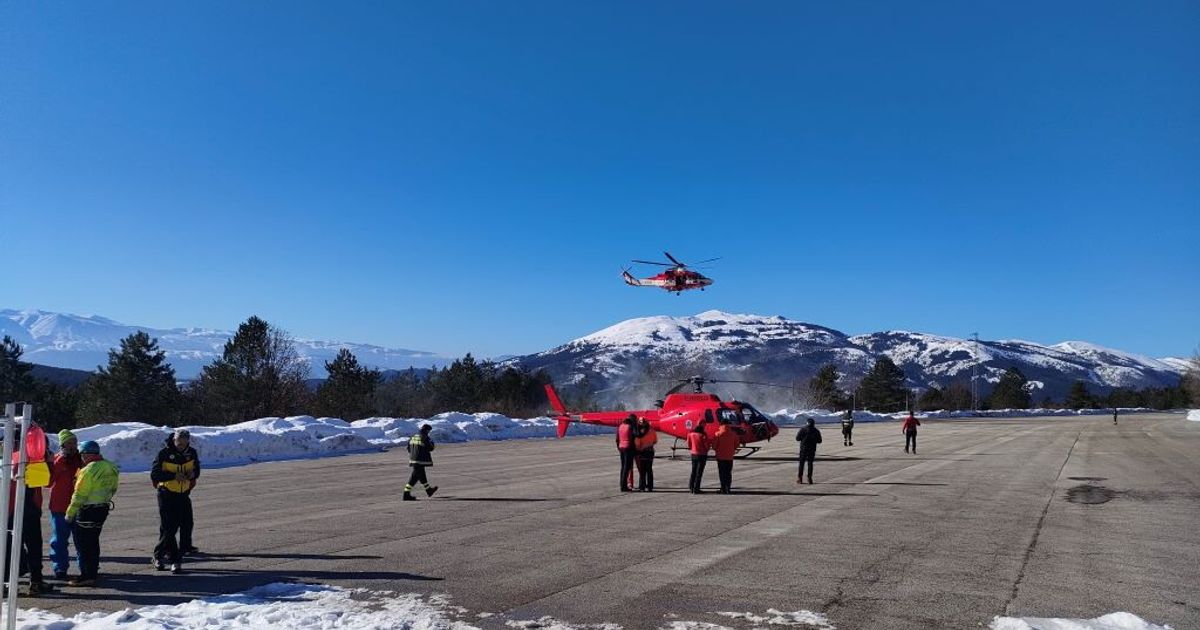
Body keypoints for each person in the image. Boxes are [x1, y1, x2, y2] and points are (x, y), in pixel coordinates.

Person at [5, 429, 53, 596]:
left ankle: (6, 583)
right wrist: (48, 462)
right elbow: (45, 481)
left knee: (8, 546)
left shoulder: (10, 457)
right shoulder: (30, 459)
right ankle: (36, 582)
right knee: (32, 546)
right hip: (26, 508)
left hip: (8, 507)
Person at [65, 440, 119, 587]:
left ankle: (87, 575)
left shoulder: (88, 470)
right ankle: (93, 572)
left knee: (83, 544)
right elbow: (113, 488)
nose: (81, 457)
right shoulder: (110, 466)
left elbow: (80, 494)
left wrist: (70, 512)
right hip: (103, 509)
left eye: (82, 455)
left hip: (87, 510)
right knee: (93, 541)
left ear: (87, 454)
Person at [151, 428, 200, 573]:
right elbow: (155, 474)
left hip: (183, 494)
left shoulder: (191, 452)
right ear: (174, 440)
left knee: (186, 524)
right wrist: (173, 476)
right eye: (179, 441)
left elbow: (197, 470)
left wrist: (193, 474)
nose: (181, 444)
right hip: (166, 493)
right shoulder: (164, 453)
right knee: (169, 528)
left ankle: (173, 553)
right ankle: (172, 559)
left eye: (184, 442)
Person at [48, 429, 84, 580]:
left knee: (82, 540)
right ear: (62, 445)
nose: (72, 446)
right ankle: (60, 568)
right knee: (59, 540)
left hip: (79, 506)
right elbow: (48, 482)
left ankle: (86, 568)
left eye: (74, 442)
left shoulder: (82, 460)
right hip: (59, 507)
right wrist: (61, 461)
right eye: (69, 443)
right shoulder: (56, 460)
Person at [404, 424, 438, 501]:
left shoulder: (413, 436)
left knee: (421, 475)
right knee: (414, 477)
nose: (429, 432)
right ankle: (406, 494)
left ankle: (428, 490)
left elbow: (408, 448)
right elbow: (431, 448)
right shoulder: (425, 437)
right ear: (427, 430)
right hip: (420, 460)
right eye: (429, 431)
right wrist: (432, 442)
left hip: (413, 459)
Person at [712, 419, 741, 494]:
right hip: (729, 457)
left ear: (721, 425)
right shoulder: (733, 434)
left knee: (722, 473)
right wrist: (732, 449)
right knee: (728, 473)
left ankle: (723, 488)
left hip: (720, 457)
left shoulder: (717, 434)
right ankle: (728, 488)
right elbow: (737, 445)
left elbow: (714, 446)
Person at [687, 417, 711, 494]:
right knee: (699, 472)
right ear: (702, 425)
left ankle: (691, 487)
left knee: (693, 471)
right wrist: (707, 449)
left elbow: (689, 444)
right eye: (705, 424)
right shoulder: (703, 435)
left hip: (694, 454)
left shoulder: (691, 434)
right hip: (702, 455)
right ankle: (696, 488)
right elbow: (707, 446)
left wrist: (692, 449)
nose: (705, 426)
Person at [795, 417, 823, 484]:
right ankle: (809, 478)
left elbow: (797, 438)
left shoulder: (803, 429)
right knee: (810, 463)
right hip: (812, 449)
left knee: (801, 463)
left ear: (807, 423)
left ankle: (800, 478)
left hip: (803, 449)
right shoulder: (816, 430)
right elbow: (820, 441)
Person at [634, 418, 657, 492]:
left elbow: (637, 444)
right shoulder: (652, 430)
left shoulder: (639, 432)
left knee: (643, 471)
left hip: (642, 452)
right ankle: (650, 487)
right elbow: (655, 441)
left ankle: (642, 487)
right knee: (649, 470)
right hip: (650, 451)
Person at [616, 415, 637, 492]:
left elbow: (617, 439)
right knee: (627, 468)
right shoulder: (631, 426)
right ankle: (624, 486)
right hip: (629, 448)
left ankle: (622, 484)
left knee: (623, 467)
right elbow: (636, 434)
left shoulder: (620, 426)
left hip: (622, 448)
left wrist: (619, 447)